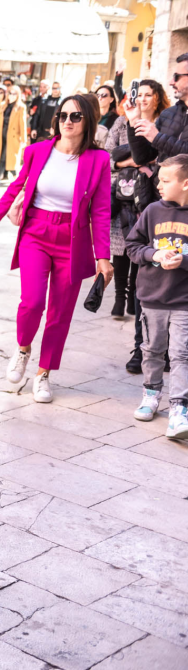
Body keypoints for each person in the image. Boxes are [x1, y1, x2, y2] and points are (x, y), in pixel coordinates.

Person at [0, 94, 113, 404]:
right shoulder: (37, 151)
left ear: (87, 121)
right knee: (33, 302)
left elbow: (101, 211)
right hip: (36, 233)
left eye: (75, 116)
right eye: (63, 115)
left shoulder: (99, 160)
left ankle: (44, 373)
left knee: (60, 313)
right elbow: (15, 189)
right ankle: (23, 348)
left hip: (73, 240)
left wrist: (103, 257)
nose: (67, 121)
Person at [124, 54, 188, 372]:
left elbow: (185, 158)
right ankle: (144, 348)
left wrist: (158, 138)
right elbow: (143, 155)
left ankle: (176, 353)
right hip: (158, 206)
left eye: (180, 75)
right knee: (148, 275)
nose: (174, 81)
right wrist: (133, 121)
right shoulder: (172, 113)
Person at [125, 154, 188, 438]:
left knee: (181, 354)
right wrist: (155, 254)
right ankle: (151, 394)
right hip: (152, 299)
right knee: (151, 350)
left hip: (184, 301)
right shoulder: (151, 211)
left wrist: (182, 259)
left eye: (165, 180)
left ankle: (180, 407)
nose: (158, 185)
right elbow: (133, 246)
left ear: (185, 184)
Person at [106, 81, 167, 322]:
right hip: (123, 191)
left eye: (147, 95)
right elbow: (107, 154)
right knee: (120, 247)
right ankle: (120, 298)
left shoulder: (162, 123)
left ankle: (133, 297)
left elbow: (166, 156)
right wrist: (129, 163)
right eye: (138, 94)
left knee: (140, 244)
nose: (142, 99)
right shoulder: (122, 122)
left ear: (157, 98)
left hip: (150, 192)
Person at [0, 85, 29, 184]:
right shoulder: (3, 105)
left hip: (13, 136)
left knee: (5, 157)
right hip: (2, 135)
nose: (12, 96)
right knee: (5, 158)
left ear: (18, 95)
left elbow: (23, 124)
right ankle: (16, 178)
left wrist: (23, 139)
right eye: (10, 93)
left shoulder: (21, 107)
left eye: (14, 94)